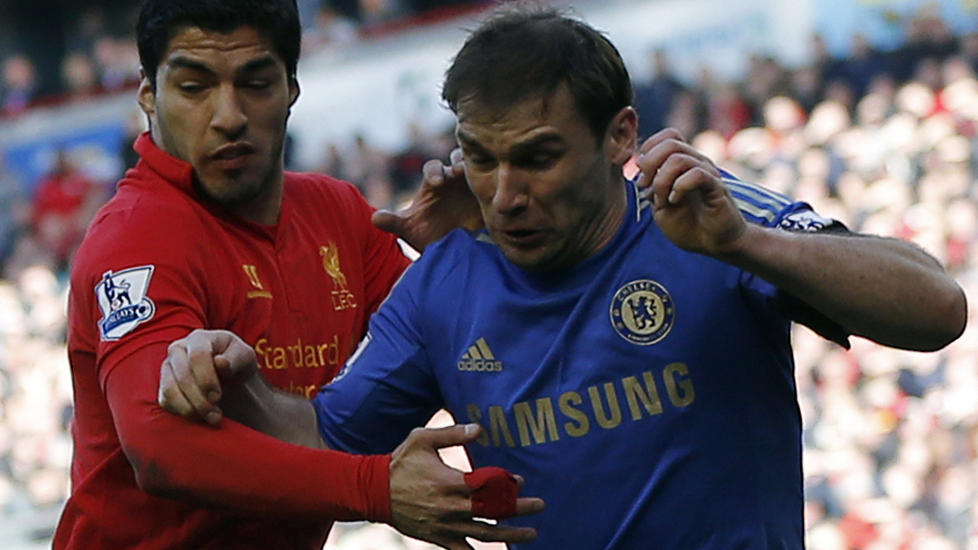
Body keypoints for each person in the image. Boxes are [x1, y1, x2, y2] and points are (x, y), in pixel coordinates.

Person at [160, 7, 968, 549]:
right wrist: (234, 381)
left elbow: (937, 309)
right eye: (481, 157)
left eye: (537, 157)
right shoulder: (444, 285)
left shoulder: (699, 218)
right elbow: (329, 443)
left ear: (621, 137)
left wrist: (748, 246)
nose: (505, 194)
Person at [54, 1, 539, 549]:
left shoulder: (339, 214)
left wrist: (459, 260)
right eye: (195, 87)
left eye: (256, 83)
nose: (228, 115)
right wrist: (375, 489)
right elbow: (161, 449)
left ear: (291, 88)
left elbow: (459, 352)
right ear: (148, 94)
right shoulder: (136, 236)